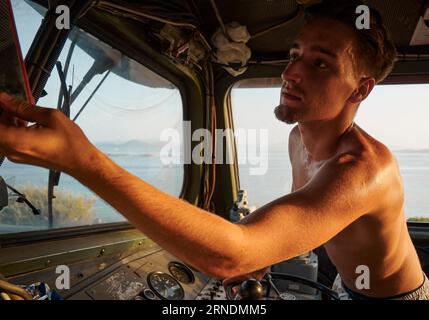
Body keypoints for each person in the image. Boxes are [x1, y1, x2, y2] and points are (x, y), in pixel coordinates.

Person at [0, 1, 427, 299]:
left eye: (320, 63)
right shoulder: (300, 137)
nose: (291, 72)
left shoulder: (364, 171)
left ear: (362, 87)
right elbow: (303, 206)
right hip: (344, 285)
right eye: (295, 55)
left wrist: (81, 160)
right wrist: (264, 250)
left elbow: (231, 255)